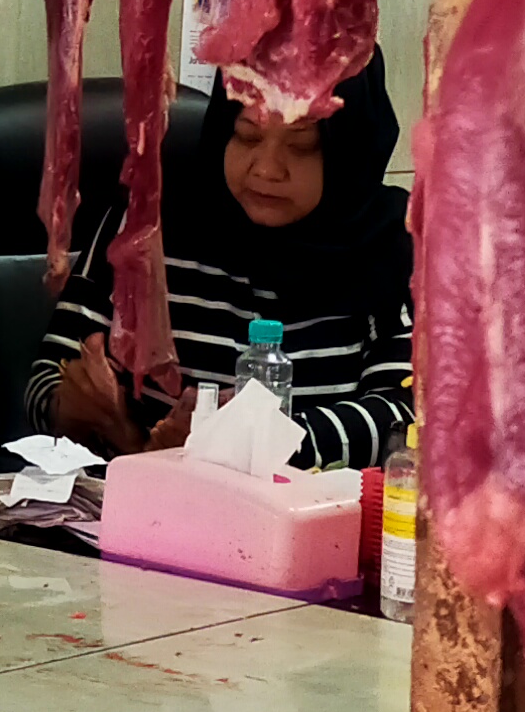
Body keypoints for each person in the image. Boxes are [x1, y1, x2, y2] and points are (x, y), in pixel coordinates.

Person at [28, 52, 414, 471]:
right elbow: (46, 378)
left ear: (349, 150)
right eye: (247, 136)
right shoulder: (146, 226)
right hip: (123, 517)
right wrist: (78, 409)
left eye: (303, 146)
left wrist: (244, 443)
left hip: (310, 524)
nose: (265, 169)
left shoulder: (392, 245)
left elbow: (402, 416)